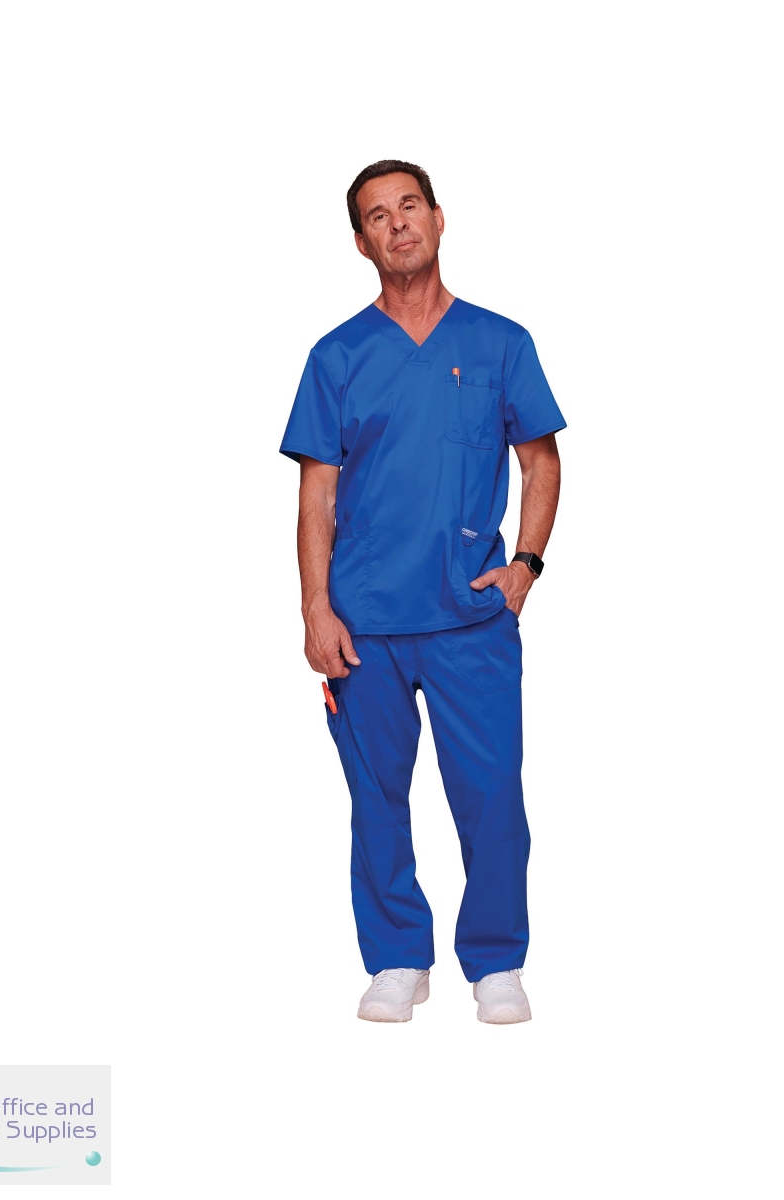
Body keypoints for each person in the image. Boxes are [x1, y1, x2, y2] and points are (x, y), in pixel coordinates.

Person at [279, 160, 564, 1024]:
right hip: (363, 621)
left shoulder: (500, 343)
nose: (397, 223)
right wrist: (315, 607)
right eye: (377, 215)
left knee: (491, 794)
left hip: (471, 617)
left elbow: (541, 460)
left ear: (439, 220)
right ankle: (399, 956)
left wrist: (526, 565)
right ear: (360, 242)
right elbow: (316, 495)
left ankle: (496, 960)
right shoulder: (336, 356)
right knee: (377, 798)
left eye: (409, 206)